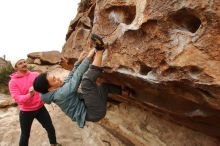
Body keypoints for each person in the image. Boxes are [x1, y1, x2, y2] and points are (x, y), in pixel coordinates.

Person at [33, 34, 128, 128]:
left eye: (55, 77)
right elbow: (77, 76)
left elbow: (70, 77)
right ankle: (100, 50)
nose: (58, 78)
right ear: (50, 89)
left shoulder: (52, 91)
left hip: (90, 108)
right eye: (54, 80)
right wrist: (88, 58)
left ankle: (126, 93)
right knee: (86, 82)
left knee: (103, 87)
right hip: (94, 113)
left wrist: (78, 62)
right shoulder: (61, 94)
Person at [8, 59, 61, 146]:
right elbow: (17, 98)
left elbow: (46, 86)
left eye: (24, 62)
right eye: (20, 63)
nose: (24, 64)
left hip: (40, 108)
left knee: (50, 127)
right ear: (16, 67)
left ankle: (54, 144)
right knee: (25, 135)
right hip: (26, 112)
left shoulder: (35, 75)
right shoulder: (12, 82)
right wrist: (29, 95)